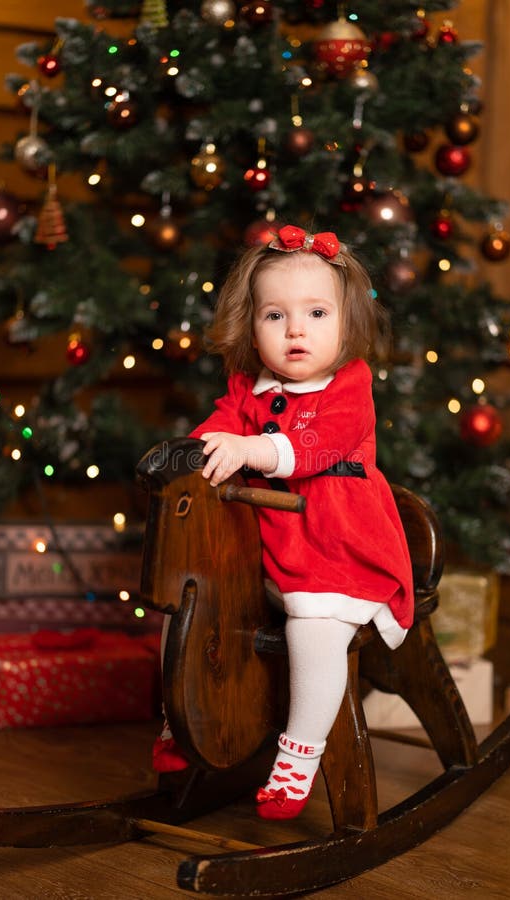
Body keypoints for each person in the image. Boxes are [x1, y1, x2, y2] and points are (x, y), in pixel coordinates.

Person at [152, 224, 414, 820]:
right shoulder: (248, 387)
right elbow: (215, 434)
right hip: (264, 547)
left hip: (338, 542)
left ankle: (299, 753)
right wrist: (194, 457)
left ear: (348, 322)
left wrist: (251, 451)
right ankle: (183, 722)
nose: (296, 330)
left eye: (316, 312)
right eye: (275, 315)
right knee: (184, 608)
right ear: (252, 326)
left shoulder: (349, 387)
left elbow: (318, 445)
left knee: (314, 627)